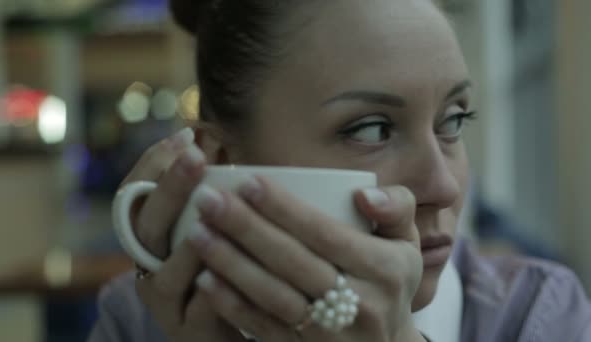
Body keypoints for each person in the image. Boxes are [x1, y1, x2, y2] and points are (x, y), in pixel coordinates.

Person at [88, 0, 591, 341]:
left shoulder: (537, 314)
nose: (443, 187)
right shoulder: (141, 319)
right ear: (219, 163)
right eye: (371, 129)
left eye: (453, 120)